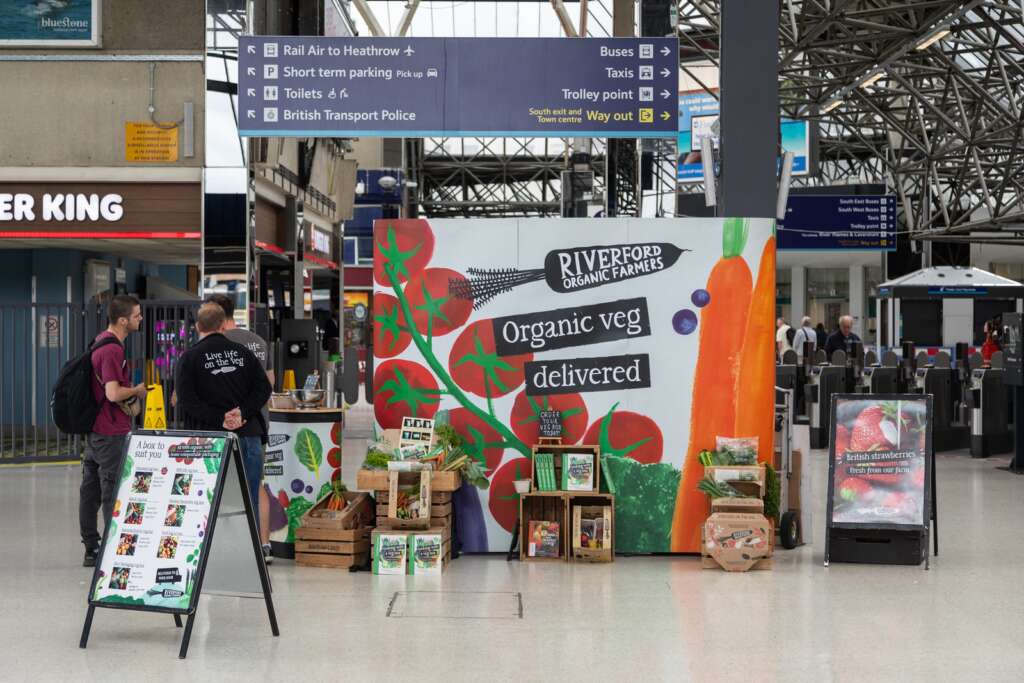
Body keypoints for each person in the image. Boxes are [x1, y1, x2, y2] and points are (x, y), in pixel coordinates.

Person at [175, 304, 273, 545]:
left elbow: (187, 402)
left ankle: (210, 551)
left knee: (206, 497)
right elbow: (264, 388)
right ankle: (249, 551)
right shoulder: (243, 353)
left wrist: (220, 418)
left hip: (207, 440)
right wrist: (242, 413)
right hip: (248, 435)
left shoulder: (189, 358)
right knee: (249, 497)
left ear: (198, 326)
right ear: (223, 326)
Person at [206, 293, 276, 563]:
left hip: (224, 424)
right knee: (256, 485)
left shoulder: (216, 343)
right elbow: (270, 383)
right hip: (256, 424)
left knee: (222, 486)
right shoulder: (258, 341)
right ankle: (264, 545)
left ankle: (228, 546)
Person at [81, 295, 148, 567]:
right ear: (122, 320)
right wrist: (137, 391)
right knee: (112, 490)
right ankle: (111, 549)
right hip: (110, 431)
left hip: (96, 431)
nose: (140, 319)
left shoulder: (99, 341)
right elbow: (112, 393)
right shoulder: (112, 350)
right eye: (136, 315)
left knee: (90, 489)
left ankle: (91, 546)